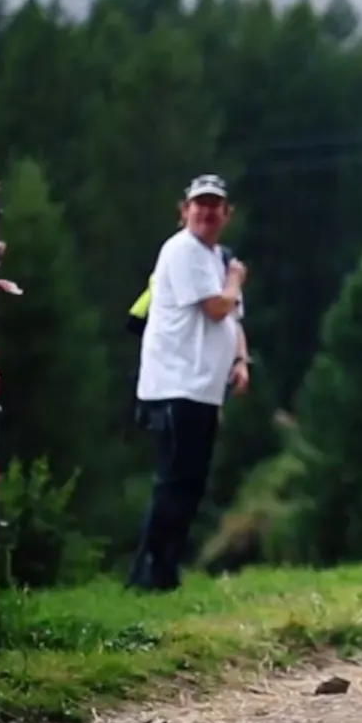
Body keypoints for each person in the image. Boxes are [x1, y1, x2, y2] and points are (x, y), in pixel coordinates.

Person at [128, 174, 250, 592]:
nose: (207, 211)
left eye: (215, 205)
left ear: (226, 214)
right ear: (184, 210)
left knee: (188, 484)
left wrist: (240, 359)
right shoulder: (182, 251)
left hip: (200, 389)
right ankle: (151, 575)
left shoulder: (217, 257)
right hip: (175, 386)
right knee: (174, 484)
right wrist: (235, 281)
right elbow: (218, 306)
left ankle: (162, 571)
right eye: (200, 204)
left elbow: (233, 318)